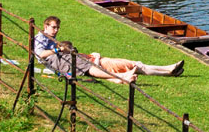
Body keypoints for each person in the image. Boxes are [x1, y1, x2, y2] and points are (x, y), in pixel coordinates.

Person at [33, 17, 183, 83]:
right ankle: (166, 70)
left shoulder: (52, 40)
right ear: (45, 26)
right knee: (133, 66)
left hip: (93, 59)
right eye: (54, 27)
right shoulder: (42, 39)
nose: (56, 30)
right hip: (95, 62)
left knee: (135, 64)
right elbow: (40, 55)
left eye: (58, 28)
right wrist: (58, 50)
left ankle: (168, 70)